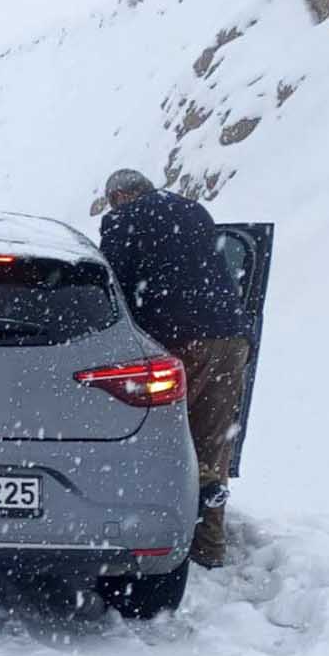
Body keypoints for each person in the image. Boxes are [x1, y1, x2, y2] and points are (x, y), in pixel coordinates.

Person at [96, 168, 250, 568]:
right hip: (230, 337)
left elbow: (116, 286)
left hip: (176, 340)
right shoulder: (193, 210)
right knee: (213, 439)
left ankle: (160, 536)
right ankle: (208, 546)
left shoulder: (122, 220)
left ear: (119, 197)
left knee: (165, 439)